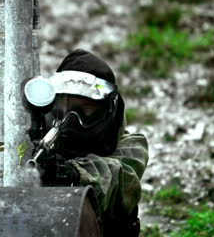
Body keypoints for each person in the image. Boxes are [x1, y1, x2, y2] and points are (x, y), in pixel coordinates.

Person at [39, 49, 149, 236]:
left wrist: (72, 173)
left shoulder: (132, 147)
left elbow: (116, 174)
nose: (73, 118)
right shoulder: (44, 140)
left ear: (108, 110)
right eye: (66, 107)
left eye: (86, 109)